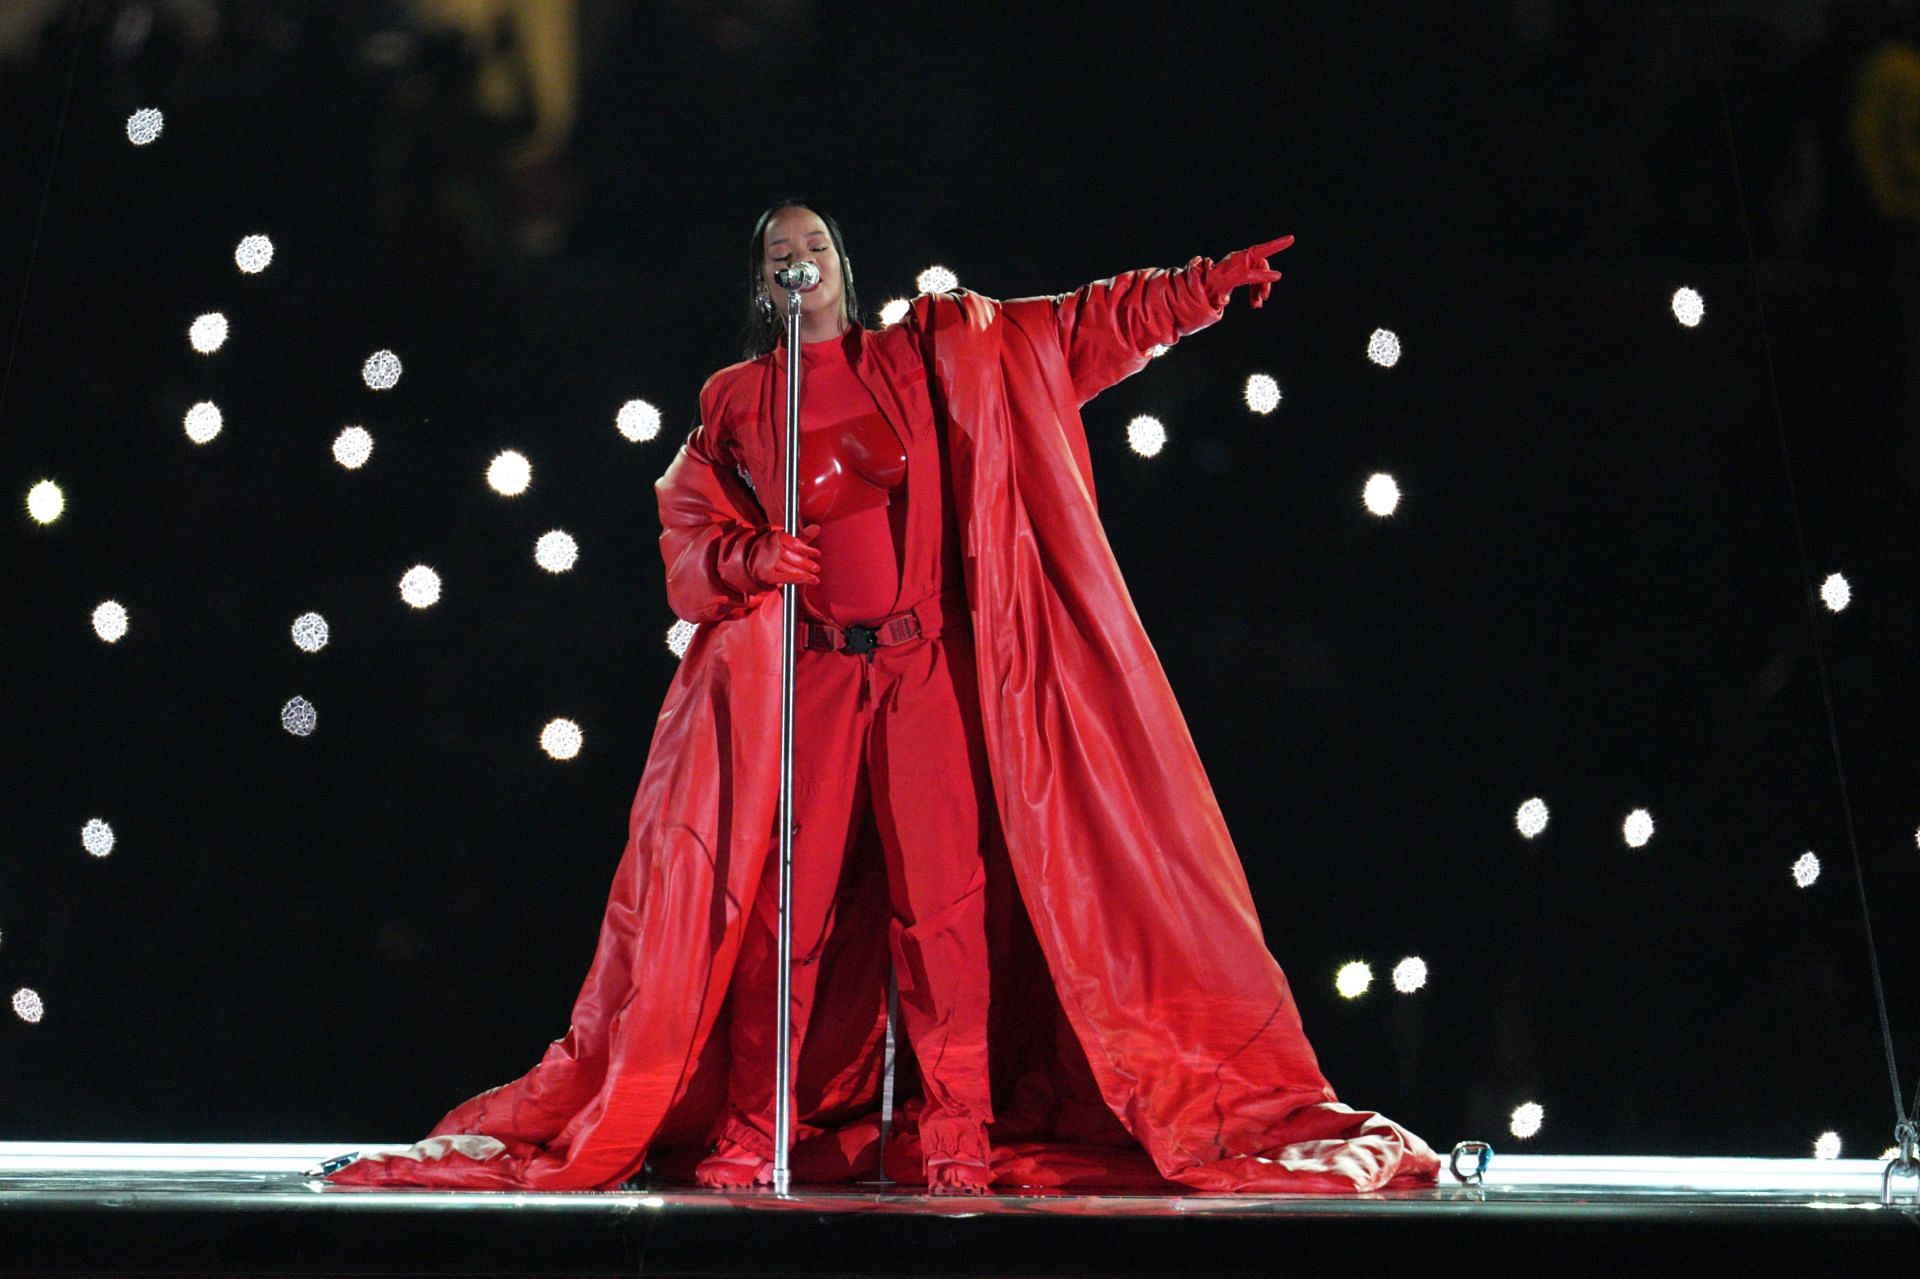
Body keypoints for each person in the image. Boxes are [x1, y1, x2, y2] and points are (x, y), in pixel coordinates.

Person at [321, 200, 1439, 1196]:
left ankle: (955, 1127)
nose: (799, 260)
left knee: (941, 903)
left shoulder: (934, 355)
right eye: (779, 252)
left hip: (923, 667)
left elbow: (1073, 334)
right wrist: (753, 561)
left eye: (814, 244)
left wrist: (1194, 292)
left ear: (844, 268)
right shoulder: (741, 399)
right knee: (783, 914)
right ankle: (759, 1124)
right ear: (764, 286)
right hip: (812, 675)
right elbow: (690, 537)